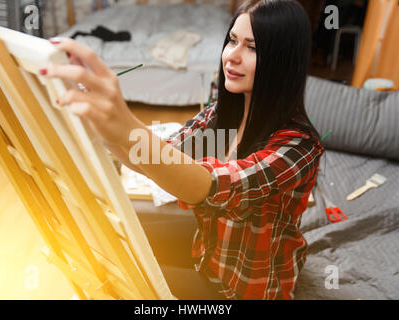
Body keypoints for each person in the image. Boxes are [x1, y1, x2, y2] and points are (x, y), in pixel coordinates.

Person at [40, 0, 325, 300]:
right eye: (232, 41)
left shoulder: (298, 147)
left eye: (251, 47)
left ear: (281, 60)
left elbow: (208, 185)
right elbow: (154, 156)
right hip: (208, 255)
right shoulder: (221, 115)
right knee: (104, 245)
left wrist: (124, 122)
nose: (232, 56)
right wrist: (106, 131)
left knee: (120, 279)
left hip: (243, 291)